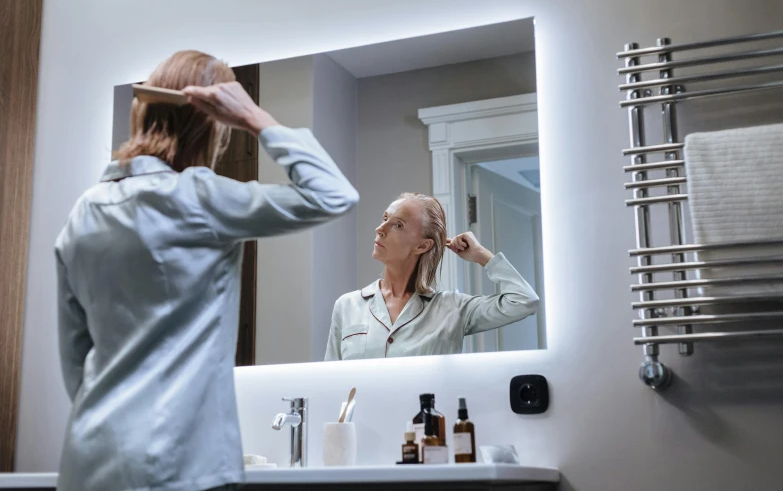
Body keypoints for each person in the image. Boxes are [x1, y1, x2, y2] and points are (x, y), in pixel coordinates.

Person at [55, 50, 358, 491]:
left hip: (89, 459)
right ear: (212, 124)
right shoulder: (198, 198)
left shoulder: (84, 211)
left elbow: (75, 364)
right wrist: (255, 118)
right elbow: (333, 195)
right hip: (179, 465)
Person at [324, 192, 538, 361]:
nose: (380, 229)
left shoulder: (453, 309)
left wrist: (482, 256)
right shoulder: (347, 306)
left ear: (423, 245)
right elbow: (331, 383)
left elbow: (523, 301)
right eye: (385, 218)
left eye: (398, 225)